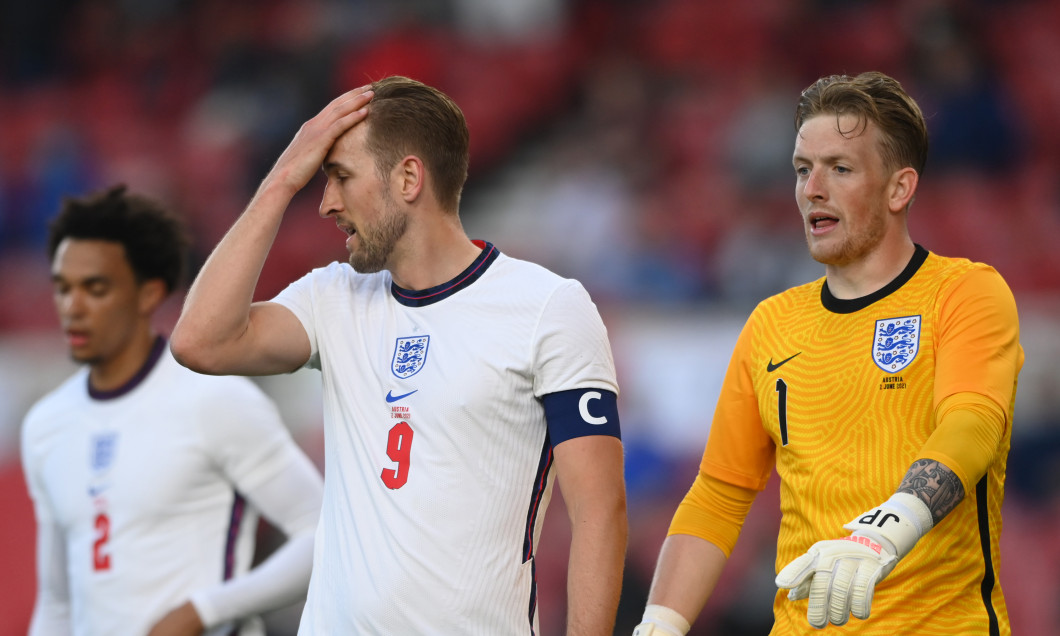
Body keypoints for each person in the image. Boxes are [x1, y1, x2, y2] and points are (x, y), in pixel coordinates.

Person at [169, 76, 628, 634]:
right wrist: (281, 180)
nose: (326, 204)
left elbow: (599, 513)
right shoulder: (331, 297)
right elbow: (199, 342)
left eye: (339, 177)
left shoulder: (547, 307)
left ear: (409, 178)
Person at [633, 71, 1023, 635]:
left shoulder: (964, 291)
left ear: (899, 188)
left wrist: (885, 531)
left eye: (840, 168)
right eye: (802, 169)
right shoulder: (772, 323)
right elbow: (719, 495)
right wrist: (660, 625)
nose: (812, 188)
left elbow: (973, 422)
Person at [21, 185, 324, 636]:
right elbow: (57, 601)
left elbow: (320, 533)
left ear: (149, 294)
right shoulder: (44, 425)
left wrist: (203, 611)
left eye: (95, 288)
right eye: (63, 288)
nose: (72, 307)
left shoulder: (215, 400)